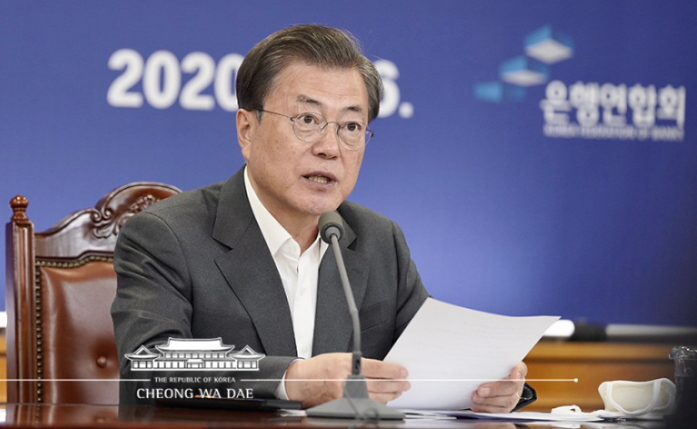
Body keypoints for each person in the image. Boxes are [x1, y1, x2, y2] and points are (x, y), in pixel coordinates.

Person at [111, 24, 531, 411]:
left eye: (350, 125)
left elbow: (434, 355)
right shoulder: (167, 235)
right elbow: (149, 368)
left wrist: (490, 388)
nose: (331, 147)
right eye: (307, 120)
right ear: (247, 130)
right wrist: (292, 380)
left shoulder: (377, 239)